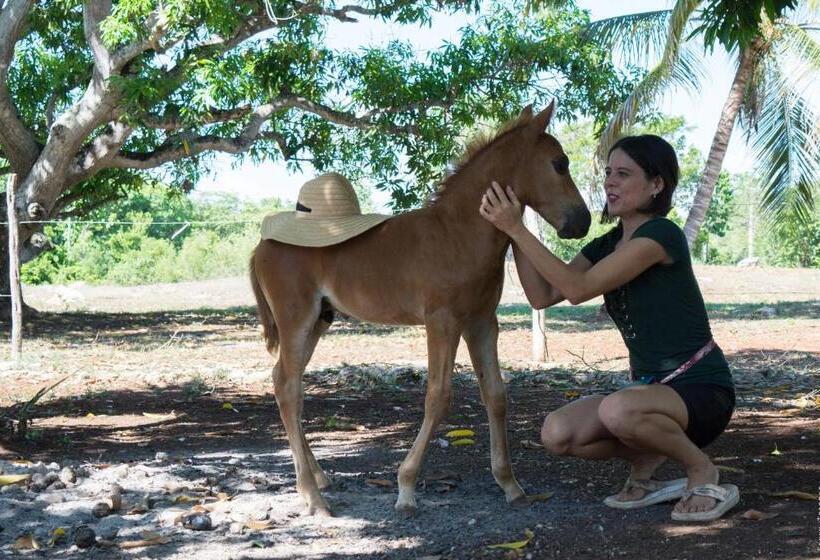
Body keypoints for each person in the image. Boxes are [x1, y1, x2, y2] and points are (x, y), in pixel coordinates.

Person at [478, 134, 738, 522]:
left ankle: (702, 470)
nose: (610, 183)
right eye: (608, 174)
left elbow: (578, 288)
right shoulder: (608, 243)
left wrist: (518, 230)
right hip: (648, 394)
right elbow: (543, 295)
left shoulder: (660, 236)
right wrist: (518, 222)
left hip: (701, 391)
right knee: (558, 432)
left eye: (623, 174)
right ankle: (647, 464)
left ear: (656, 185)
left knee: (618, 409)